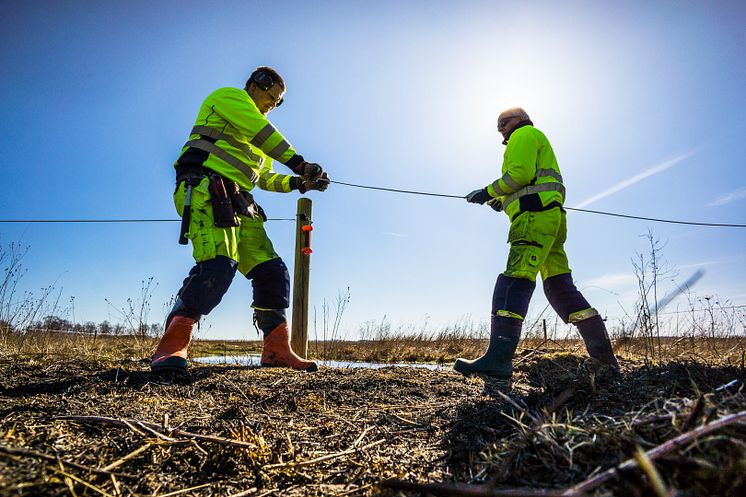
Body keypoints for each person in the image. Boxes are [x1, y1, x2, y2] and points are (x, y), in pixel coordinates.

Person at [151, 66, 329, 374]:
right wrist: (300, 164)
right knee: (218, 266)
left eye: (277, 102)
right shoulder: (230, 98)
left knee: (273, 271)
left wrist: (301, 183)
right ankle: (171, 346)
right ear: (255, 84)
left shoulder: (260, 139)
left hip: (240, 202)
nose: (271, 104)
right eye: (269, 96)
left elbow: (265, 178)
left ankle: (276, 349)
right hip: (206, 188)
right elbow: (263, 134)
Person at [455, 107, 619, 378]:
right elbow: (526, 184)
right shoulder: (534, 139)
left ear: (520, 119)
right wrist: (501, 201)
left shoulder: (524, 135)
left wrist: (486, 192)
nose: (501, 130)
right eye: (498, 126)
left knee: (514, 280)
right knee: (559, 287)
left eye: (504, 122)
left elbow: (519, 174)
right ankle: (604, 360)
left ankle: (498, 361)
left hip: (533, 218)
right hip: (550, 220)